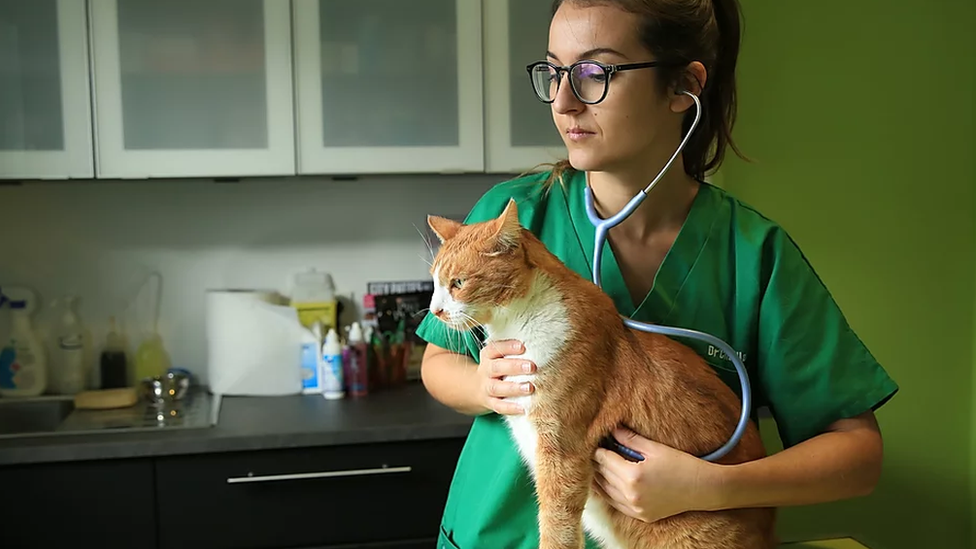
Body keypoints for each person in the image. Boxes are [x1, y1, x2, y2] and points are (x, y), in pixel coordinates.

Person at [415, 0, 899, 547]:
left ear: (683, 87)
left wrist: (712, 487)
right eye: (553, 72)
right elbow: (438, 363)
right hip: (502, 535)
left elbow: (858, 455)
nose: (564, 101)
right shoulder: (513, 216)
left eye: (595, 73)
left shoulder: (752, 253)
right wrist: (484, 384)